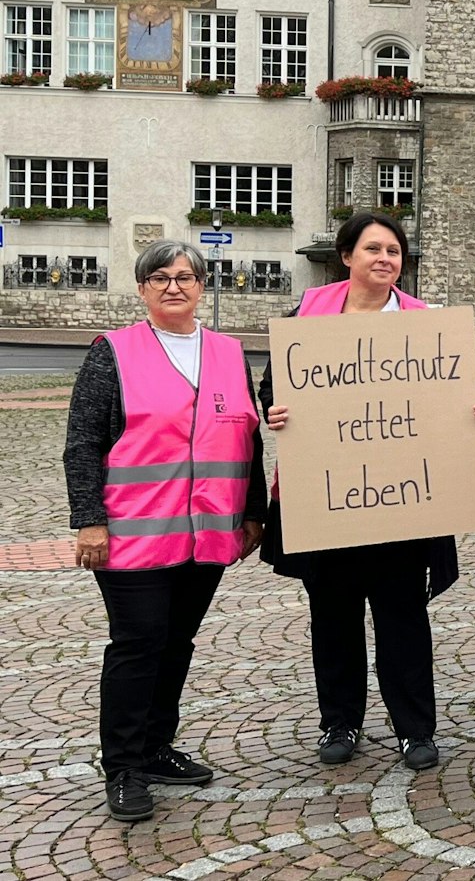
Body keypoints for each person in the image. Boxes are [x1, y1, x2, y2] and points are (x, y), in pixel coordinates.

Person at [262, 211, 475, 772]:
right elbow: (273, 388)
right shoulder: (308, 314)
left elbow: (449, 396)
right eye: (374, 249)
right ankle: (340, 720)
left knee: (401, 617)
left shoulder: (424, 324)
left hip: (402, 503)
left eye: (395, 251)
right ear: (347, 256)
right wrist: (277, 408)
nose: (386, 259)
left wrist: (467, 411)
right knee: (332, 617)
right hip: (330, 497)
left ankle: (415, 729)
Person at [65, 240, 268, 823]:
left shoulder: (229, 352)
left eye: (185, 276)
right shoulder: (113, 353)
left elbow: (247, 439)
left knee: (177, 643)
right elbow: (83, 443)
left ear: (203, 285)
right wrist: (89, 521)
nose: (174, 286)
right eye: (160, 278)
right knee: (138, 644)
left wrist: (251, 512)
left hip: (206, 534)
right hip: (132, 534)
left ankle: (155, 746)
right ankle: (123, 766)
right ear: (143, 288)